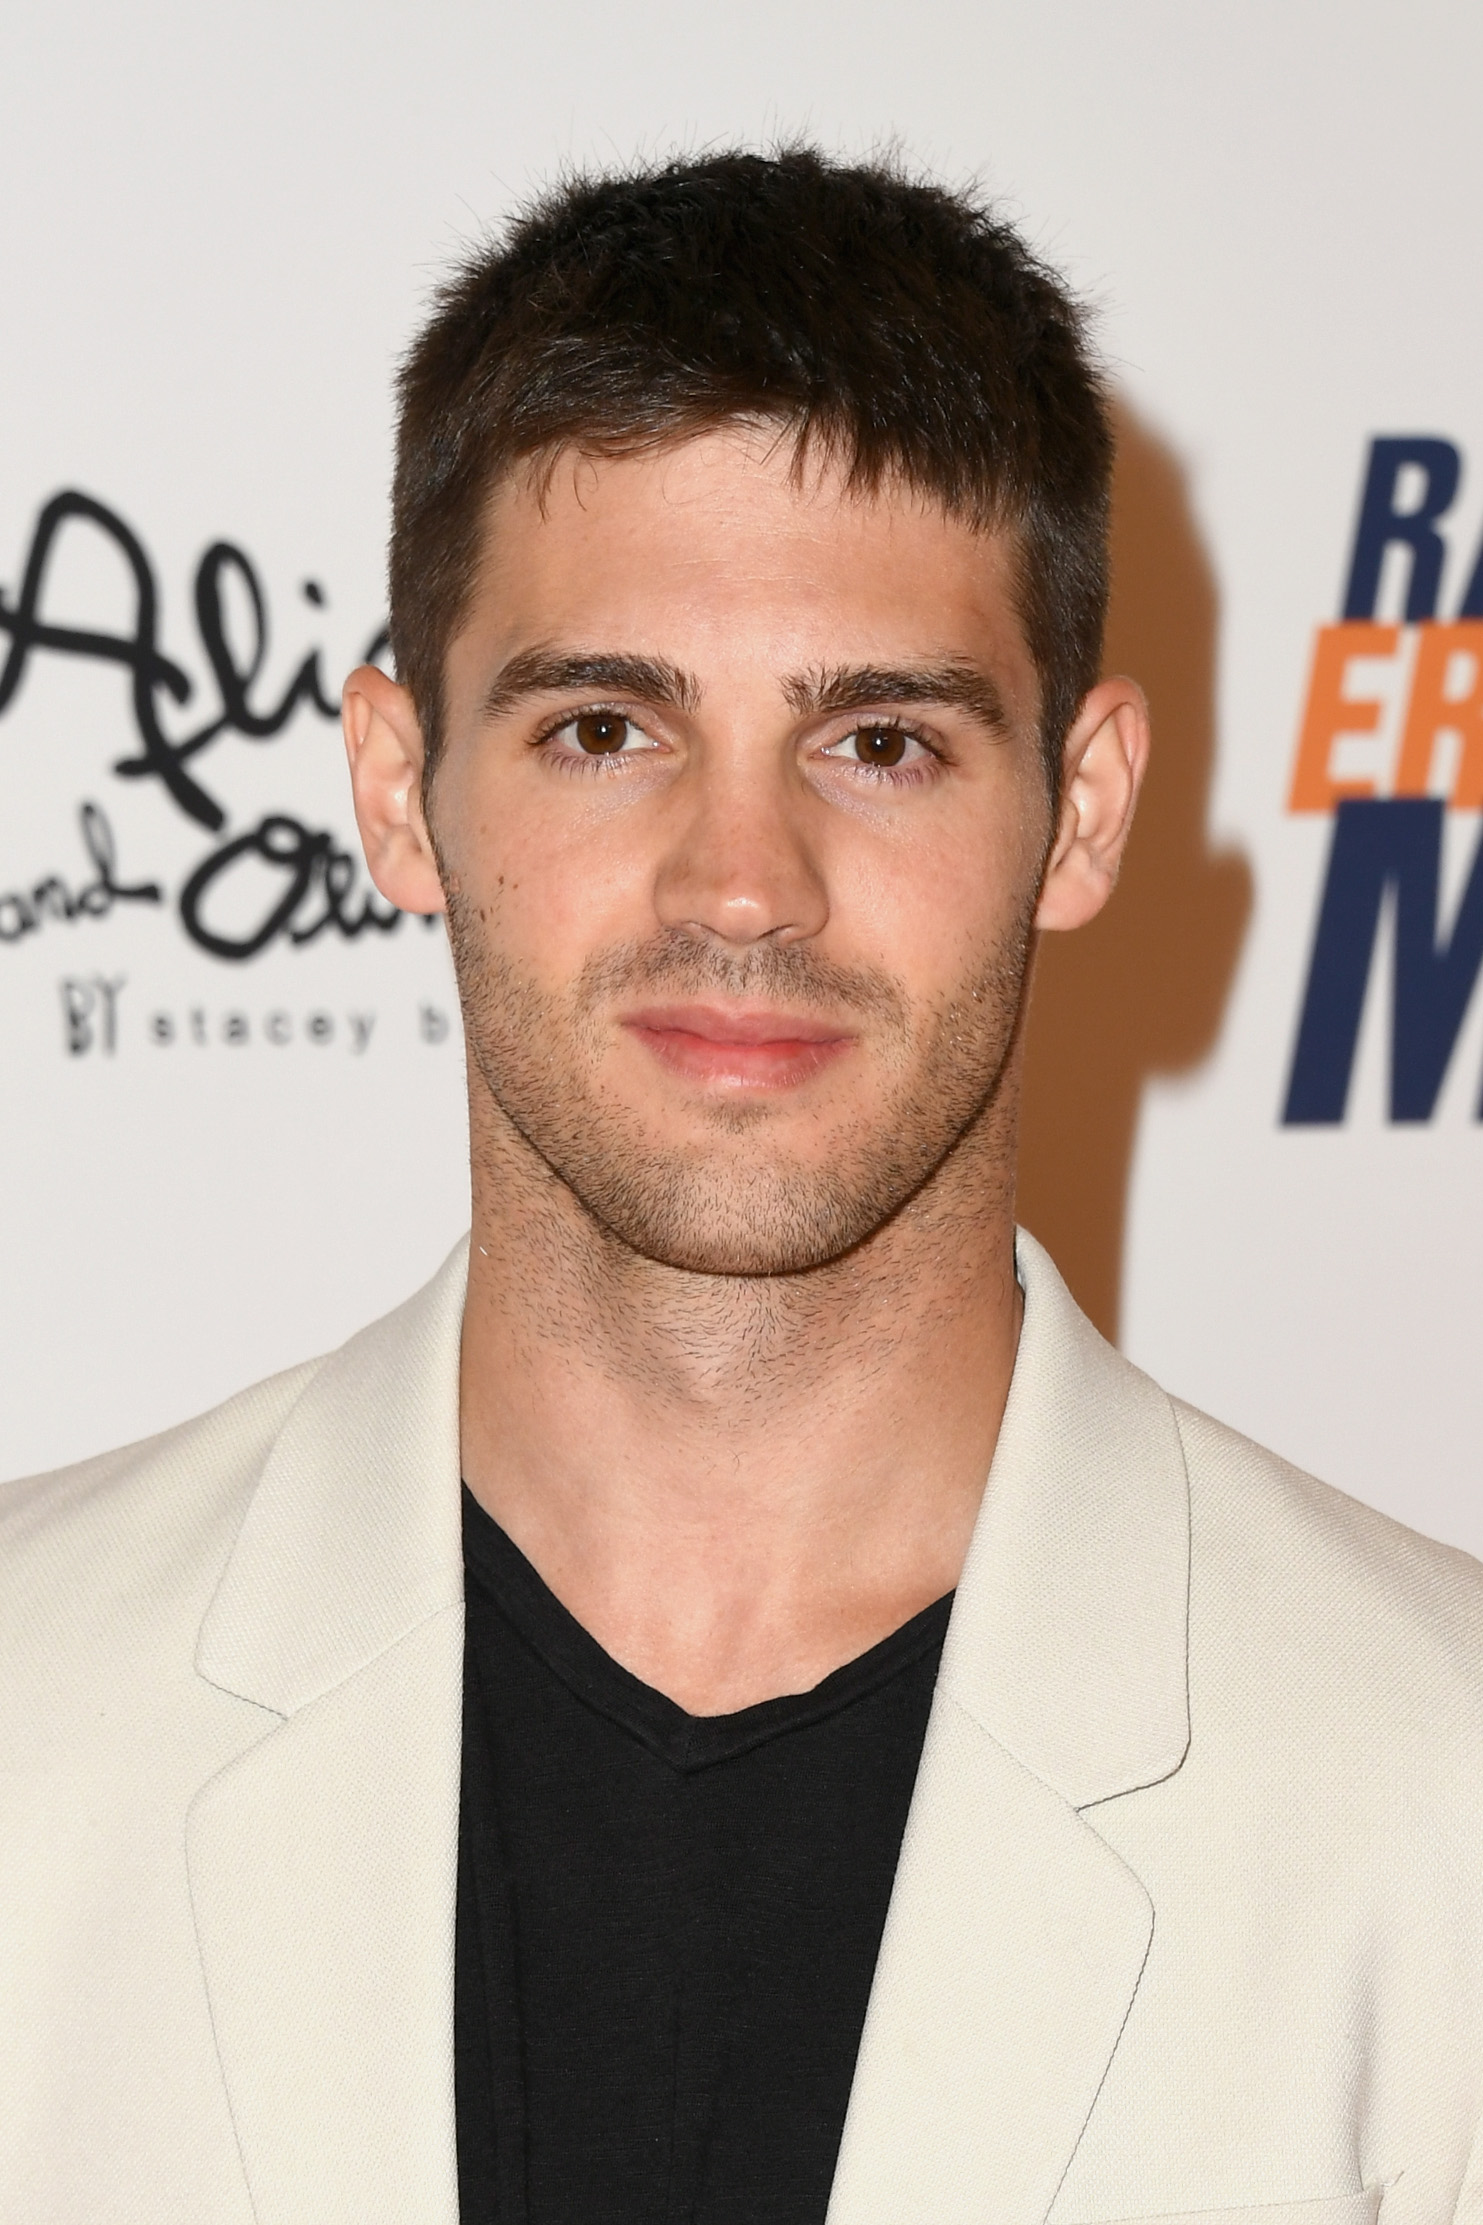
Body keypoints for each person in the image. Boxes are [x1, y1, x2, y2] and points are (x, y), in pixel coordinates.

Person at [3, 146, 1481, 2225]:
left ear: (1083, 813)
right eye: (605, 728)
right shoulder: (23, 1722)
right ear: (393, 789)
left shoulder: (1444, 1804)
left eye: (879, 743)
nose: (740, 886)